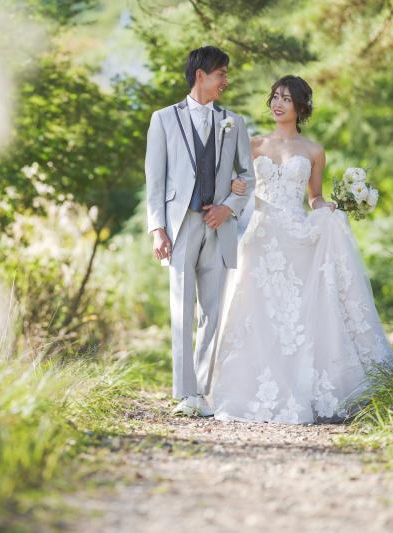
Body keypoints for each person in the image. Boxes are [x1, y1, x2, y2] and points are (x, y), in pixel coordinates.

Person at [210, 75, 393, 424]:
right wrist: (234, 186)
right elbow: (235, 185)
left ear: (300, 106)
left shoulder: (314, 151)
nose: (277, 103)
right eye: (275, 96)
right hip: (261, 237)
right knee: (257, 311)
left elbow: (314, 197)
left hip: (297, 237)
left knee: (295, 314)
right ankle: (253, 389)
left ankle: (302, 387)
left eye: (286, 99)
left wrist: (329, 208)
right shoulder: (252, 144)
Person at [145, 46, 256, 416]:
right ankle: (184, 393)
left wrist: (229, 207)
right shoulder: (163, 119)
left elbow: (248, 176)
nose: (226, 81)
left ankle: (204, 394)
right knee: (182, 308)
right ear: (200, 76)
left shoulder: (233, 122)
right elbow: (154, 179)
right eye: (221, 74)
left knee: (212, 310)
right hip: (181, 224)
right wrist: (157, 229)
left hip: (220, 225)